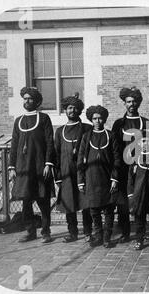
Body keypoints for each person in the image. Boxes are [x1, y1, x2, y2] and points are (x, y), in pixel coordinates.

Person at [9, 87, 56, 243]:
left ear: (36, 101)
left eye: (30, 99)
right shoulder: (18, 121)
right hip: (23, 168)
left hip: (40, 166)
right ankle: (30, 232)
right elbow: (14, 145)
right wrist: (12, 167)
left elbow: (50, 142)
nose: (27, 101)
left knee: (43, 201)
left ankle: (46, 232)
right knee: (26, 202)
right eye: (25, 98)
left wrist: (48, 163)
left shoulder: (43, 118)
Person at [77, 105, 121, 248]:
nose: (97, 121)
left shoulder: (111, 135)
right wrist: (81, 181)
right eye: (94, 118)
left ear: (104, 119)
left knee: (108, 210)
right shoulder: (86, 136)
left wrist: (115, 178)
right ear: (91, 119)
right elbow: (80, 160)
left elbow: (117, 159)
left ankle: (107, 238)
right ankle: (98, 236)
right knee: (94, 210)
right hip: (91, 178)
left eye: (100, 118)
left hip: (107, 178)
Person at [111, 87, 149, 243]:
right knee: (122, 203)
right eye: (128, 102)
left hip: (140, 167)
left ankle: (142, 231)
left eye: (134, 101)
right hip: (122, 168)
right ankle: (125, 232)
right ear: (124, 104)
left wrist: (139, 162)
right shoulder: (118, 124)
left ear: (138, 102)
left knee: (141, 198)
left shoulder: (145, 123)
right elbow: (114, 147)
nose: (131, 104)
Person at [54, 94, 93, 243]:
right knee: (69, 203)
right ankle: (73, 232)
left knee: (86, 203)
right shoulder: (60, 131)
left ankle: (89, 231)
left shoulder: (87, 128)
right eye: (70, 107)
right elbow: (56, 155)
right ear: (65, 110)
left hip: (83, 172)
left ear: (80, 110)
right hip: (66, 173)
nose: (72, 110)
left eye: (76, 108)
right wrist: (57, 176)